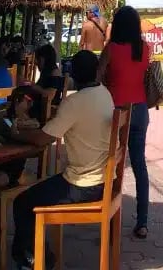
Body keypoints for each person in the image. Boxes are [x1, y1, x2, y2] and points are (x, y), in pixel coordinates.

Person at [11, 51, 114, 270]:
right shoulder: (106, 94)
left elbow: (42, 140)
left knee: (23, 202)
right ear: (97, 71)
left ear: (73, 75)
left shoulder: (74, 102)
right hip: (106, 181)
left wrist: (15, 133)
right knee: (38, 193)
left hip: (82, 185)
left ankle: (35, 260)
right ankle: (40, 257)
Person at [98, 5, 150, 239]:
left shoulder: (111, 49)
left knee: (112, 165)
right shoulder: (144, 49)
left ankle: (110, 222)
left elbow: (97, 77)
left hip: (115, 112)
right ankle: (143, 222)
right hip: (139, 110)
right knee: (139, 165)